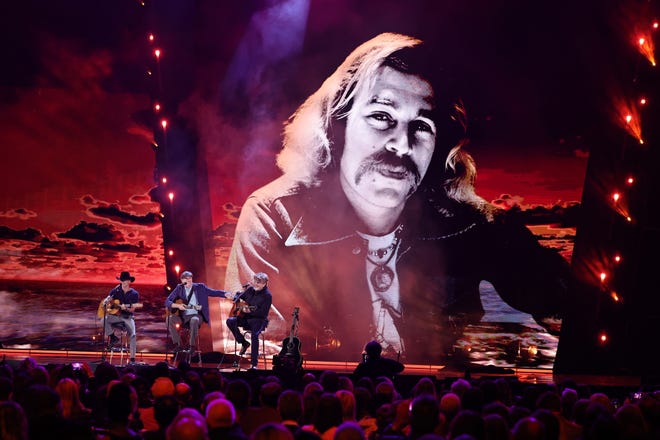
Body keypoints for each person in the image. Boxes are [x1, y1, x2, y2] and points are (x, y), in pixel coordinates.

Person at [224, 32, 570, 363]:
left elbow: (565, 309)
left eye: (421, 126)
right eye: (381, 117)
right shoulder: (274, 215)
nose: (402, 145)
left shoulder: (472, 225)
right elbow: (256, 347)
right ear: (335, 127)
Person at [165, 270, 233, 352]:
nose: (189, 280)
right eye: (186, 279)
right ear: (182, 281)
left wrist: (225, 294)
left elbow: (213, 292)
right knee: (169, 319)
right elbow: (167, 301)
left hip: (197, 315)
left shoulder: (200, 287)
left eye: (190, 278)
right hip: (184, 316)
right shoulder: (179, 288)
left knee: (194, 320)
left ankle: (192, 346)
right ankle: (178, 345)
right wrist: (178, 306)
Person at [225, 272, 272, 369]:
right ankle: (243, 342)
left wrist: (248, 311)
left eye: (258, 282)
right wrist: (234, 298)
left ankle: (254, 364)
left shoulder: (267, 295)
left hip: (258, 320)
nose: (255, 283)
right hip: (246, 318)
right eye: (255, 281)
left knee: (254, 335)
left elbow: (263, 313)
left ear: (265, 283)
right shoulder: (250, 289)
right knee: (230, 321)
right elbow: (239, 297)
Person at [101, 271, 141, 364]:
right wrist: (106, 302)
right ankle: (113, 337)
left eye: (125, 280)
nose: (123, 282)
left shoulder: (134, 293)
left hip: (128, 317)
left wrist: (126, 308)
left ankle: (132, 359)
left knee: (133, 334)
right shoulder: (116, 290)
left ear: (129, 281)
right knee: (104, 319)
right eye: (121, 280)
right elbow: (108, 299)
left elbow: (132, 310)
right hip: (117, 316)